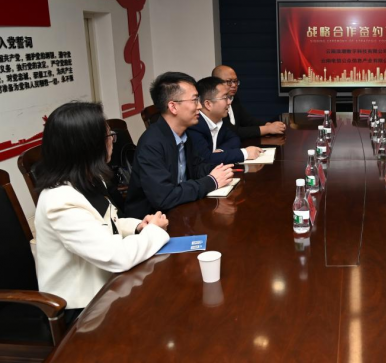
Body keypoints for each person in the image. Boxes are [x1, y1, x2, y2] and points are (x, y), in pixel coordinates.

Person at [34, 102, 170, 323]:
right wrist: (153, 231)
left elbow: (104, 222)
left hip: (109, 284)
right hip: (82, 308)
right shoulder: (60, 201)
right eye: (109, 136)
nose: (112, 142)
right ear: (88, 146)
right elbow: (116, 257)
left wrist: (137, 226)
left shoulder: (88, 178)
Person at [124, 72, 234, 219]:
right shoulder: (151, 144)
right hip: (151, 222)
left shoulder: (185, 134)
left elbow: (195, 168)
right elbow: (164, 197)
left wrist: (220, 171)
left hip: (182, 212)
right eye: (195, 100)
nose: (199, 106)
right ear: (173, 107)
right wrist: (212, 181)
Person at [187, 76, 262, 164]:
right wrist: (244, 153)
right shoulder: (195, 125)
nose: (229, 102)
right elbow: (205, 159)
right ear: (208, 104)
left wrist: (221, 151)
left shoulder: (219, 120)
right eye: (225, 97)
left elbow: (234, 138)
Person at [212, 65, 286, 138]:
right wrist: (267, 129)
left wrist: (268, 124)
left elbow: (247, 120)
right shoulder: (216, 104)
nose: (234, 85)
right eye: (229, 81)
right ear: (216, 83)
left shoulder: (233, 97)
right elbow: (232, 132)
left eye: (235, 81)